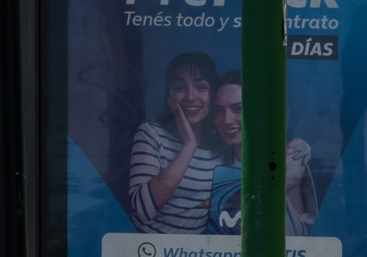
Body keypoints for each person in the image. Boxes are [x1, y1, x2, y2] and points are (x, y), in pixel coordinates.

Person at [208, 69, 323, 234]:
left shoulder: (288, 158)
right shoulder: (212, 160)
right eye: (219, 110)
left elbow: (296, 235)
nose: (227, 120)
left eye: (238, 108)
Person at [126, 51, 222, 234]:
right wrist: (189, 146)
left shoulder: (220, 145)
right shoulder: (151, 134)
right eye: (179, 87)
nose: (190, 96)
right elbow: (143, 209)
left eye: (201, 87)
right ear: (168, 94)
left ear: (212, 94)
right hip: (147, 254)